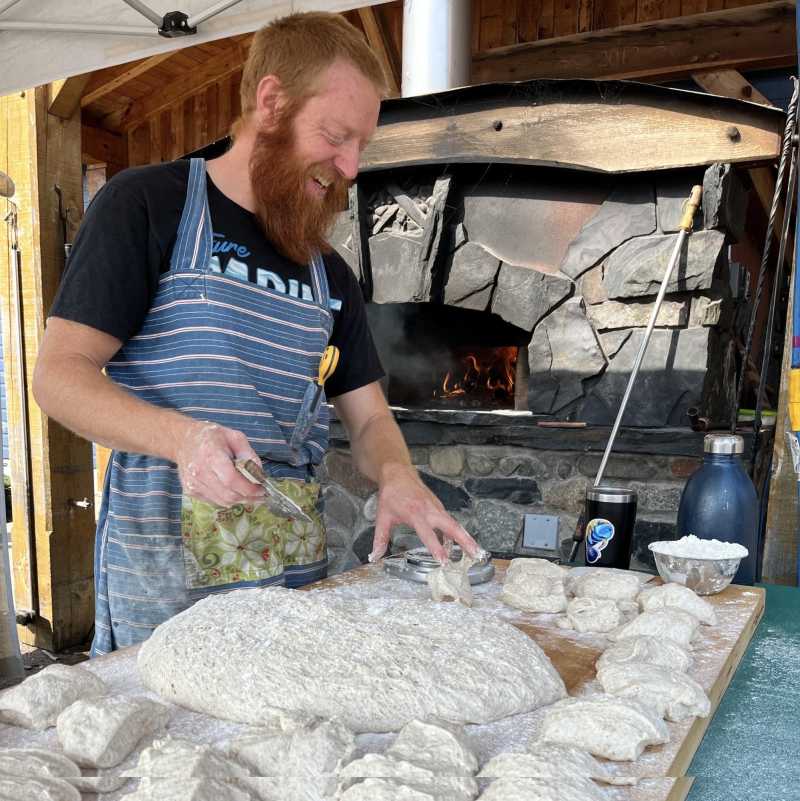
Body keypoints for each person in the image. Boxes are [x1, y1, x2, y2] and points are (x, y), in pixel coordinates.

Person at [32, 12, 480, 656]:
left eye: (363, 145)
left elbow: (368, 420)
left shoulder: (330, 273)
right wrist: (185, 440)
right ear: (271, 102)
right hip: (167, 593)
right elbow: (59, 376)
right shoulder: (150, 204)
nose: (351, 167)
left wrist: (398, 477)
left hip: (295, 581)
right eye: (335, 135)